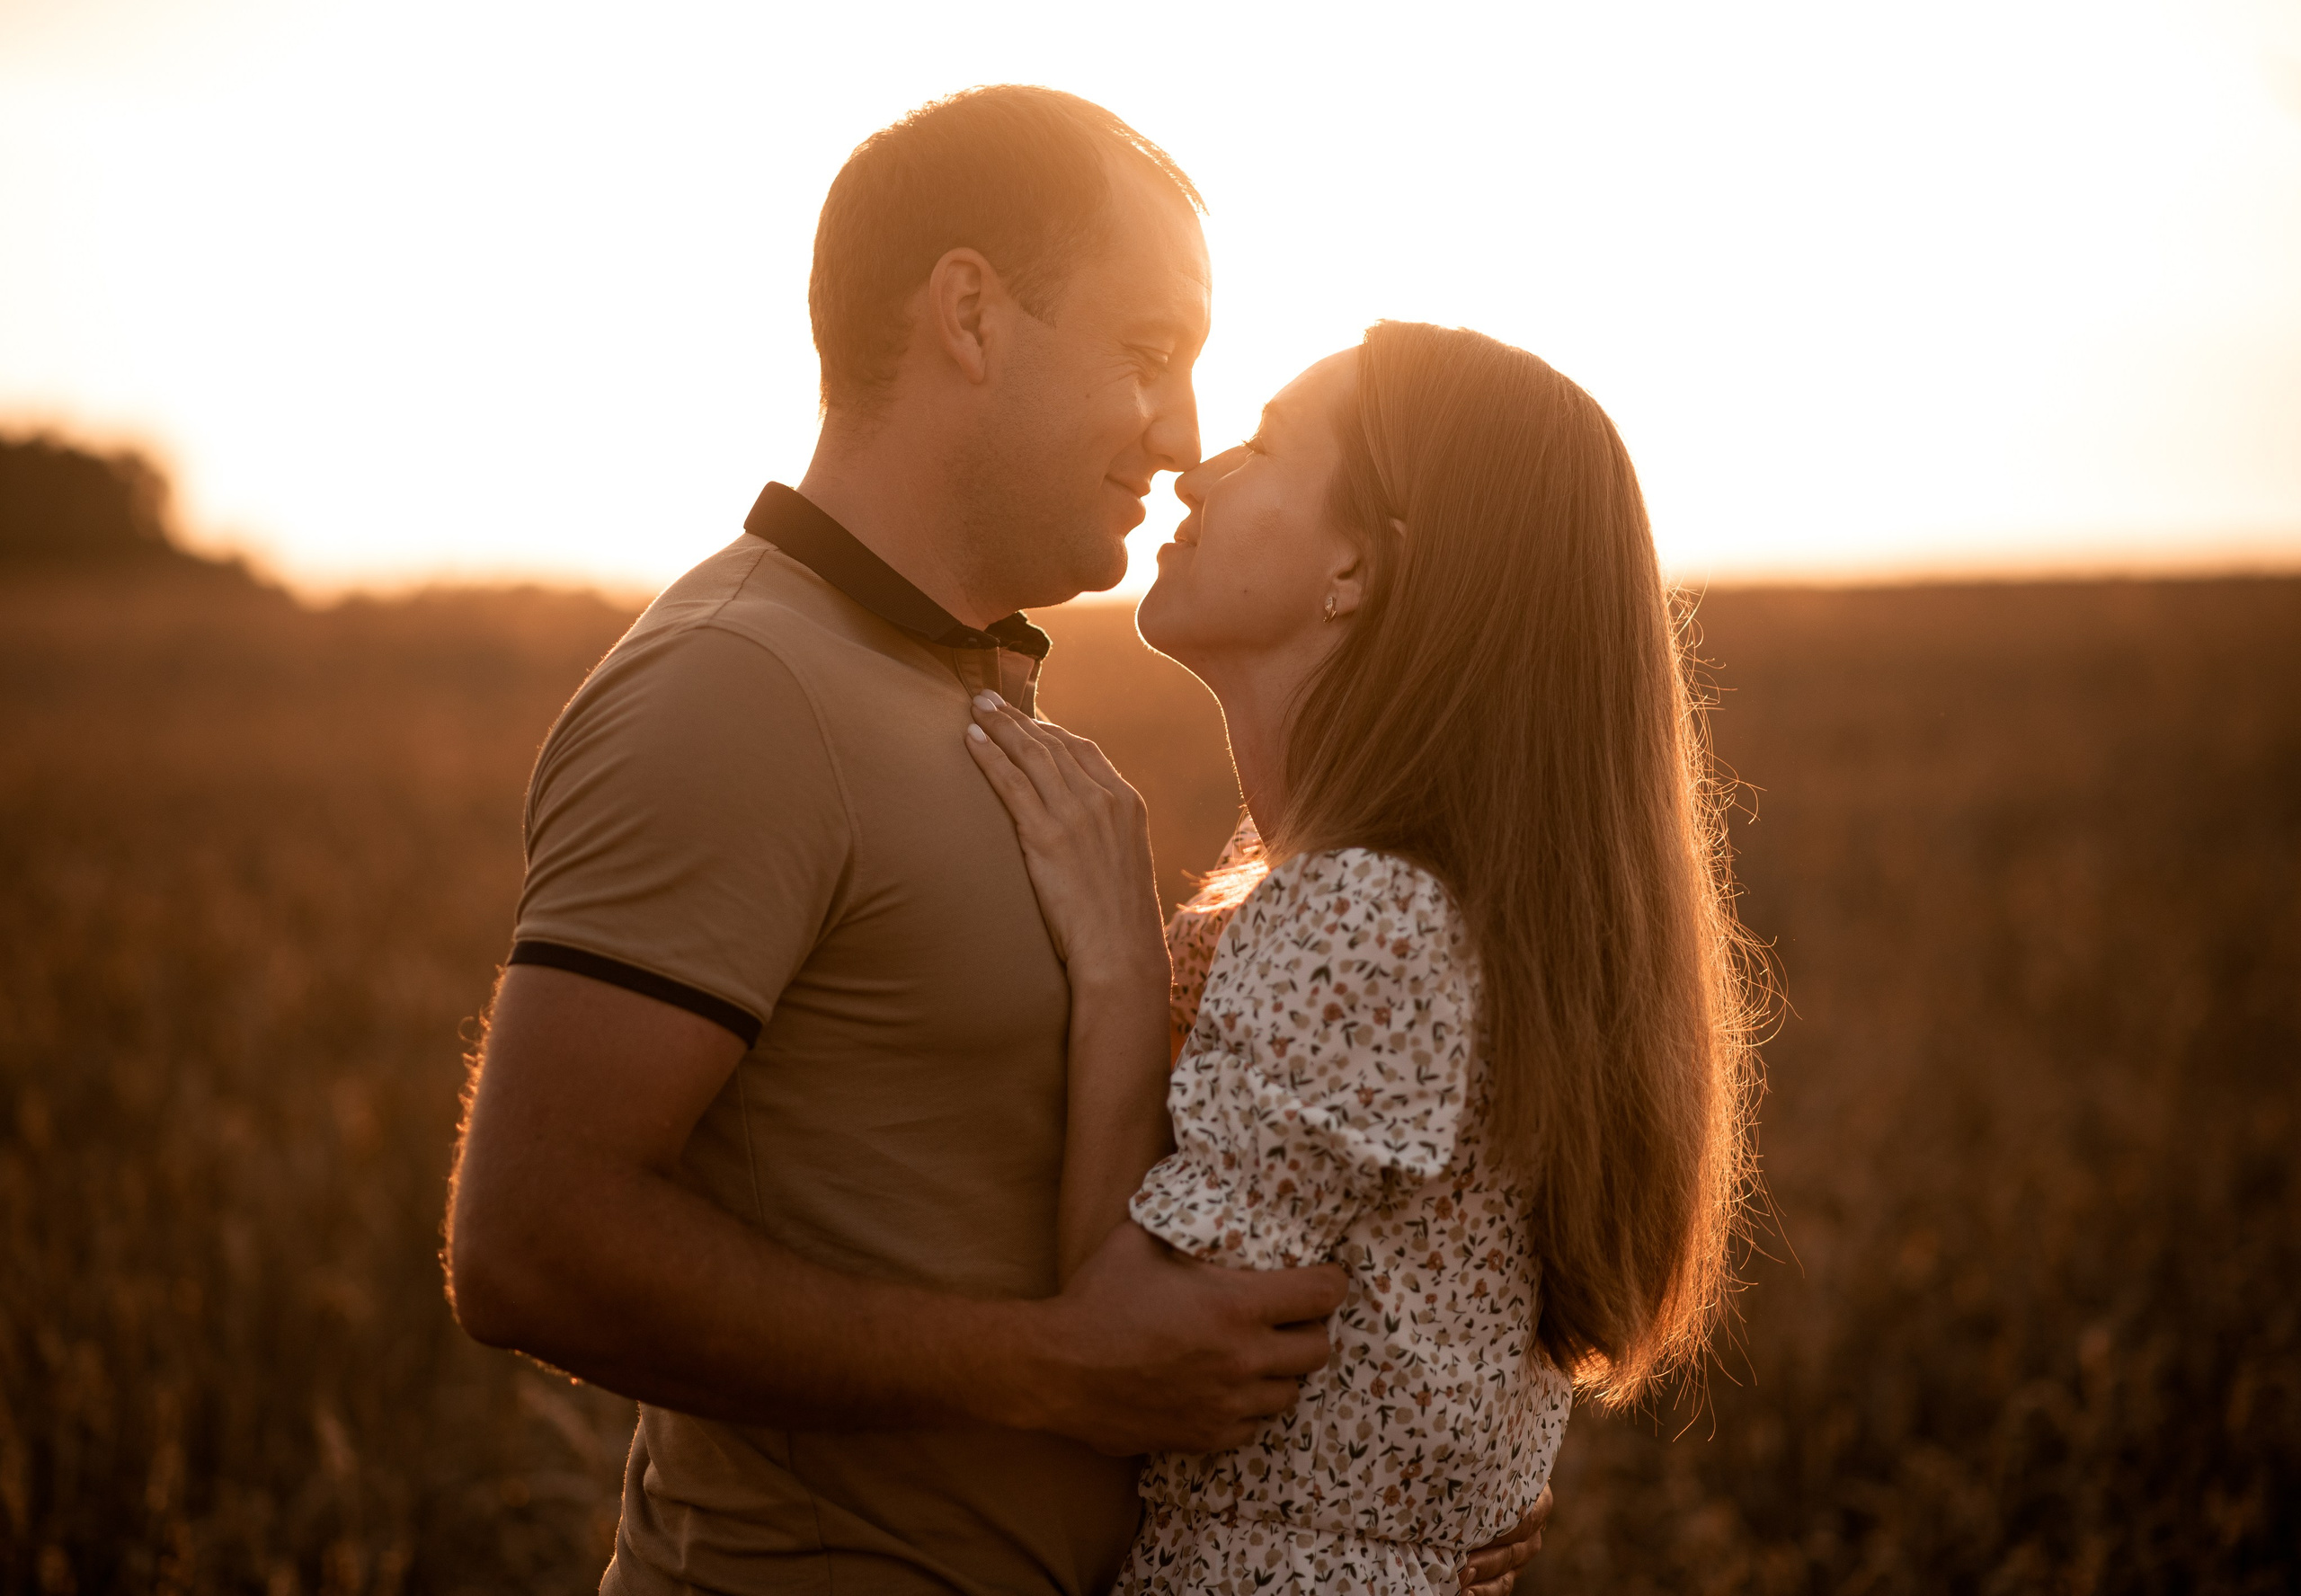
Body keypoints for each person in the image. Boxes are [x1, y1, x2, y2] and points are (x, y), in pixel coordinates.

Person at [444, 88, 1546, 1593]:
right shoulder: (740, 684)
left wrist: (1400, 1508)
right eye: (1148, 354)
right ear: (969, 313)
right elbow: (530, 1240)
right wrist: (1040, 1370)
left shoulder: (968, 693)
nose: (1183, 435)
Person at [962, 321, 1760, 1591]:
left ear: (1357, 569)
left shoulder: (1369, 918)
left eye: (1269, 444)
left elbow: (1127, 1352)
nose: (1197, 470)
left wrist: (1112, 957)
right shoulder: (1396, 898)